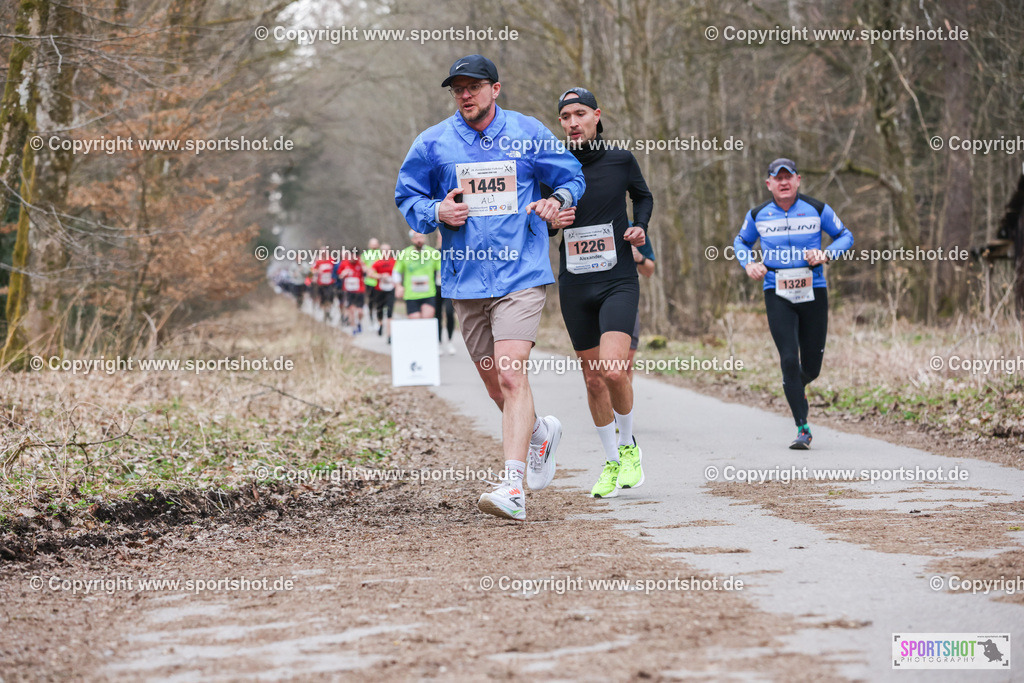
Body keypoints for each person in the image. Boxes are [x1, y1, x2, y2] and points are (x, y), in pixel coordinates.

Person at [395, 54, 585, 521]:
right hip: (465, 279)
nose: (465, 94)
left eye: (473, 86)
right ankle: (539, 431)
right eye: (457, 88)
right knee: (493, 382)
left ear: (495, 89)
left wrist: (555, 201)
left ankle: (513, 486)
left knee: (510, 373)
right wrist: (437, 212)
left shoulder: (528, 132)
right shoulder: (434, 143)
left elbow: (570, 177)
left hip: (521, 271)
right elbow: (407, 194)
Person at [548, 87, 652, 499]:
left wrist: (640, 226)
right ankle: (611, 461)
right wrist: (556, 220)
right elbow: (543, 217)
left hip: (617, 279)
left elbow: (642, 196)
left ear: (596, 115)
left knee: (613, 369)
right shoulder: (554, 166)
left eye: (579, 114)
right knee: (592, 381)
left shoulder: (621, 160)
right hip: (575, 283)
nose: (572, 122)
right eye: (564, 117)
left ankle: (629, 448)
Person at [733, 158, 853, 449]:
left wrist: (826, 255)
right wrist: (749, 264)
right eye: (778, 178)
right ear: (769, 184)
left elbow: (845, 237)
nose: (784, 182)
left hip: (814, 289)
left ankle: (795, 385)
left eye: (789, 177)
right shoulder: (758, 214)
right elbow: (741, 242)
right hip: (777, 291)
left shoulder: (817, 209)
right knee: (788, 359)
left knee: (811, 368)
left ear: (798, 180)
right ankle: (803, 427)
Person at [627, 236, 656, 382]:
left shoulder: (633, 229)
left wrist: (639, 258)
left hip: (626, 303)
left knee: (625, 363)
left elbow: (649, 270)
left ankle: (622, 406)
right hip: (593, 303)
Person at [394, 230, 440, 318]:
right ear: (412, 239)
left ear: (425, 238)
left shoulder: (433, 253)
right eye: (416, 238)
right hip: (411, 294)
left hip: (428, 293)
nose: (419, 240)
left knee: (427, 319)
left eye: (421, 237)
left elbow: (441, 271)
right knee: (415, 320)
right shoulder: (404, 253)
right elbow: (396, 272)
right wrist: (398, 286)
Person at [433, 231, 457, 355]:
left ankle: (450, 341)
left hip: (449, 288)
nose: (442, 238)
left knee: (449, 312)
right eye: (440, 236)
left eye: (444, 236)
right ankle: (438, 343)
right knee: (437, 315)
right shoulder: (432, 253)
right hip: (435, 288)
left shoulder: (454, 251)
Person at [370, 243, 397, 343]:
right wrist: (381, 276)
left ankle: (389, 335)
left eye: (388, 250)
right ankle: (381, 324)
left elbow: (398, 273)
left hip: (390, 289)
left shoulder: (394, 262)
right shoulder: (377, 263)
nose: (386, 252)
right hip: (379, 290)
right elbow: (370, 273)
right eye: (384, 250)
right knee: (380, 310)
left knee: (390, 311)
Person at [336, 253, 366, 333]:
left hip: (359, 290)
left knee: (360, 311)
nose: (352, 259)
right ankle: (354, 327)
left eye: (354, 257)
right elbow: (339, 275)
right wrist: (343, 273)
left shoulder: (360, 263)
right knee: (351, 310)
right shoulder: (344, 263)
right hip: (348, 290)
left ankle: (359, 323)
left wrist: (363, 265)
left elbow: (366, 273)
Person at [362, 238, 383, 329]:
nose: (374, 246)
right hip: (369, 282)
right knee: (371, 302)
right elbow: (362, 265)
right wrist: (367, 270)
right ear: (369, 245)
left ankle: (379, 321)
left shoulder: (381, 253)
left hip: (379, 281)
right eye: (372, 244)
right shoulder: (366, 254)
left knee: (379, 302)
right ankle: (371, 320)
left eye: (375, 244)